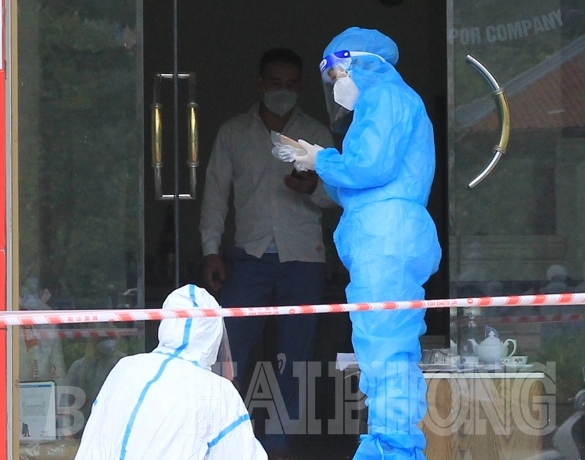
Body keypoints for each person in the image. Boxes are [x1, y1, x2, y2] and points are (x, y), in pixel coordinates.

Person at [273, 28, 441, 460]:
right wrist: (320, 165)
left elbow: (368, 167)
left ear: (358, 64)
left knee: (384, 348)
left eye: (337, 76)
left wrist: (322, 158)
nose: (336, 87)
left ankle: (391, 448)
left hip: (385, 240)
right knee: (385, 347)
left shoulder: (385, 98)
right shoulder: (389, 101)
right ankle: (392, 443)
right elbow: (358, 184)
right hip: (386, 237)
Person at [200, 47, 335, 460]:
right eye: (275, 83)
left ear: (301, 87)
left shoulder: (316, 133)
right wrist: (210, 251)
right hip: (249, 257)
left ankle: (278, 444)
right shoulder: (234, 132)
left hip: (304, 258)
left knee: (295, 356)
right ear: (260, 85)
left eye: (291, 84)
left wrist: (313, 188)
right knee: (228, 350)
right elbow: (215, 194)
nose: (283, 91)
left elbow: (338, 194)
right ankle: (222, 436)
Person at [74, 284, 266, 460]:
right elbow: (242, 453)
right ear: (213, 330)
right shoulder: (217, 390)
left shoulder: (125, 368)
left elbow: (93, 439)